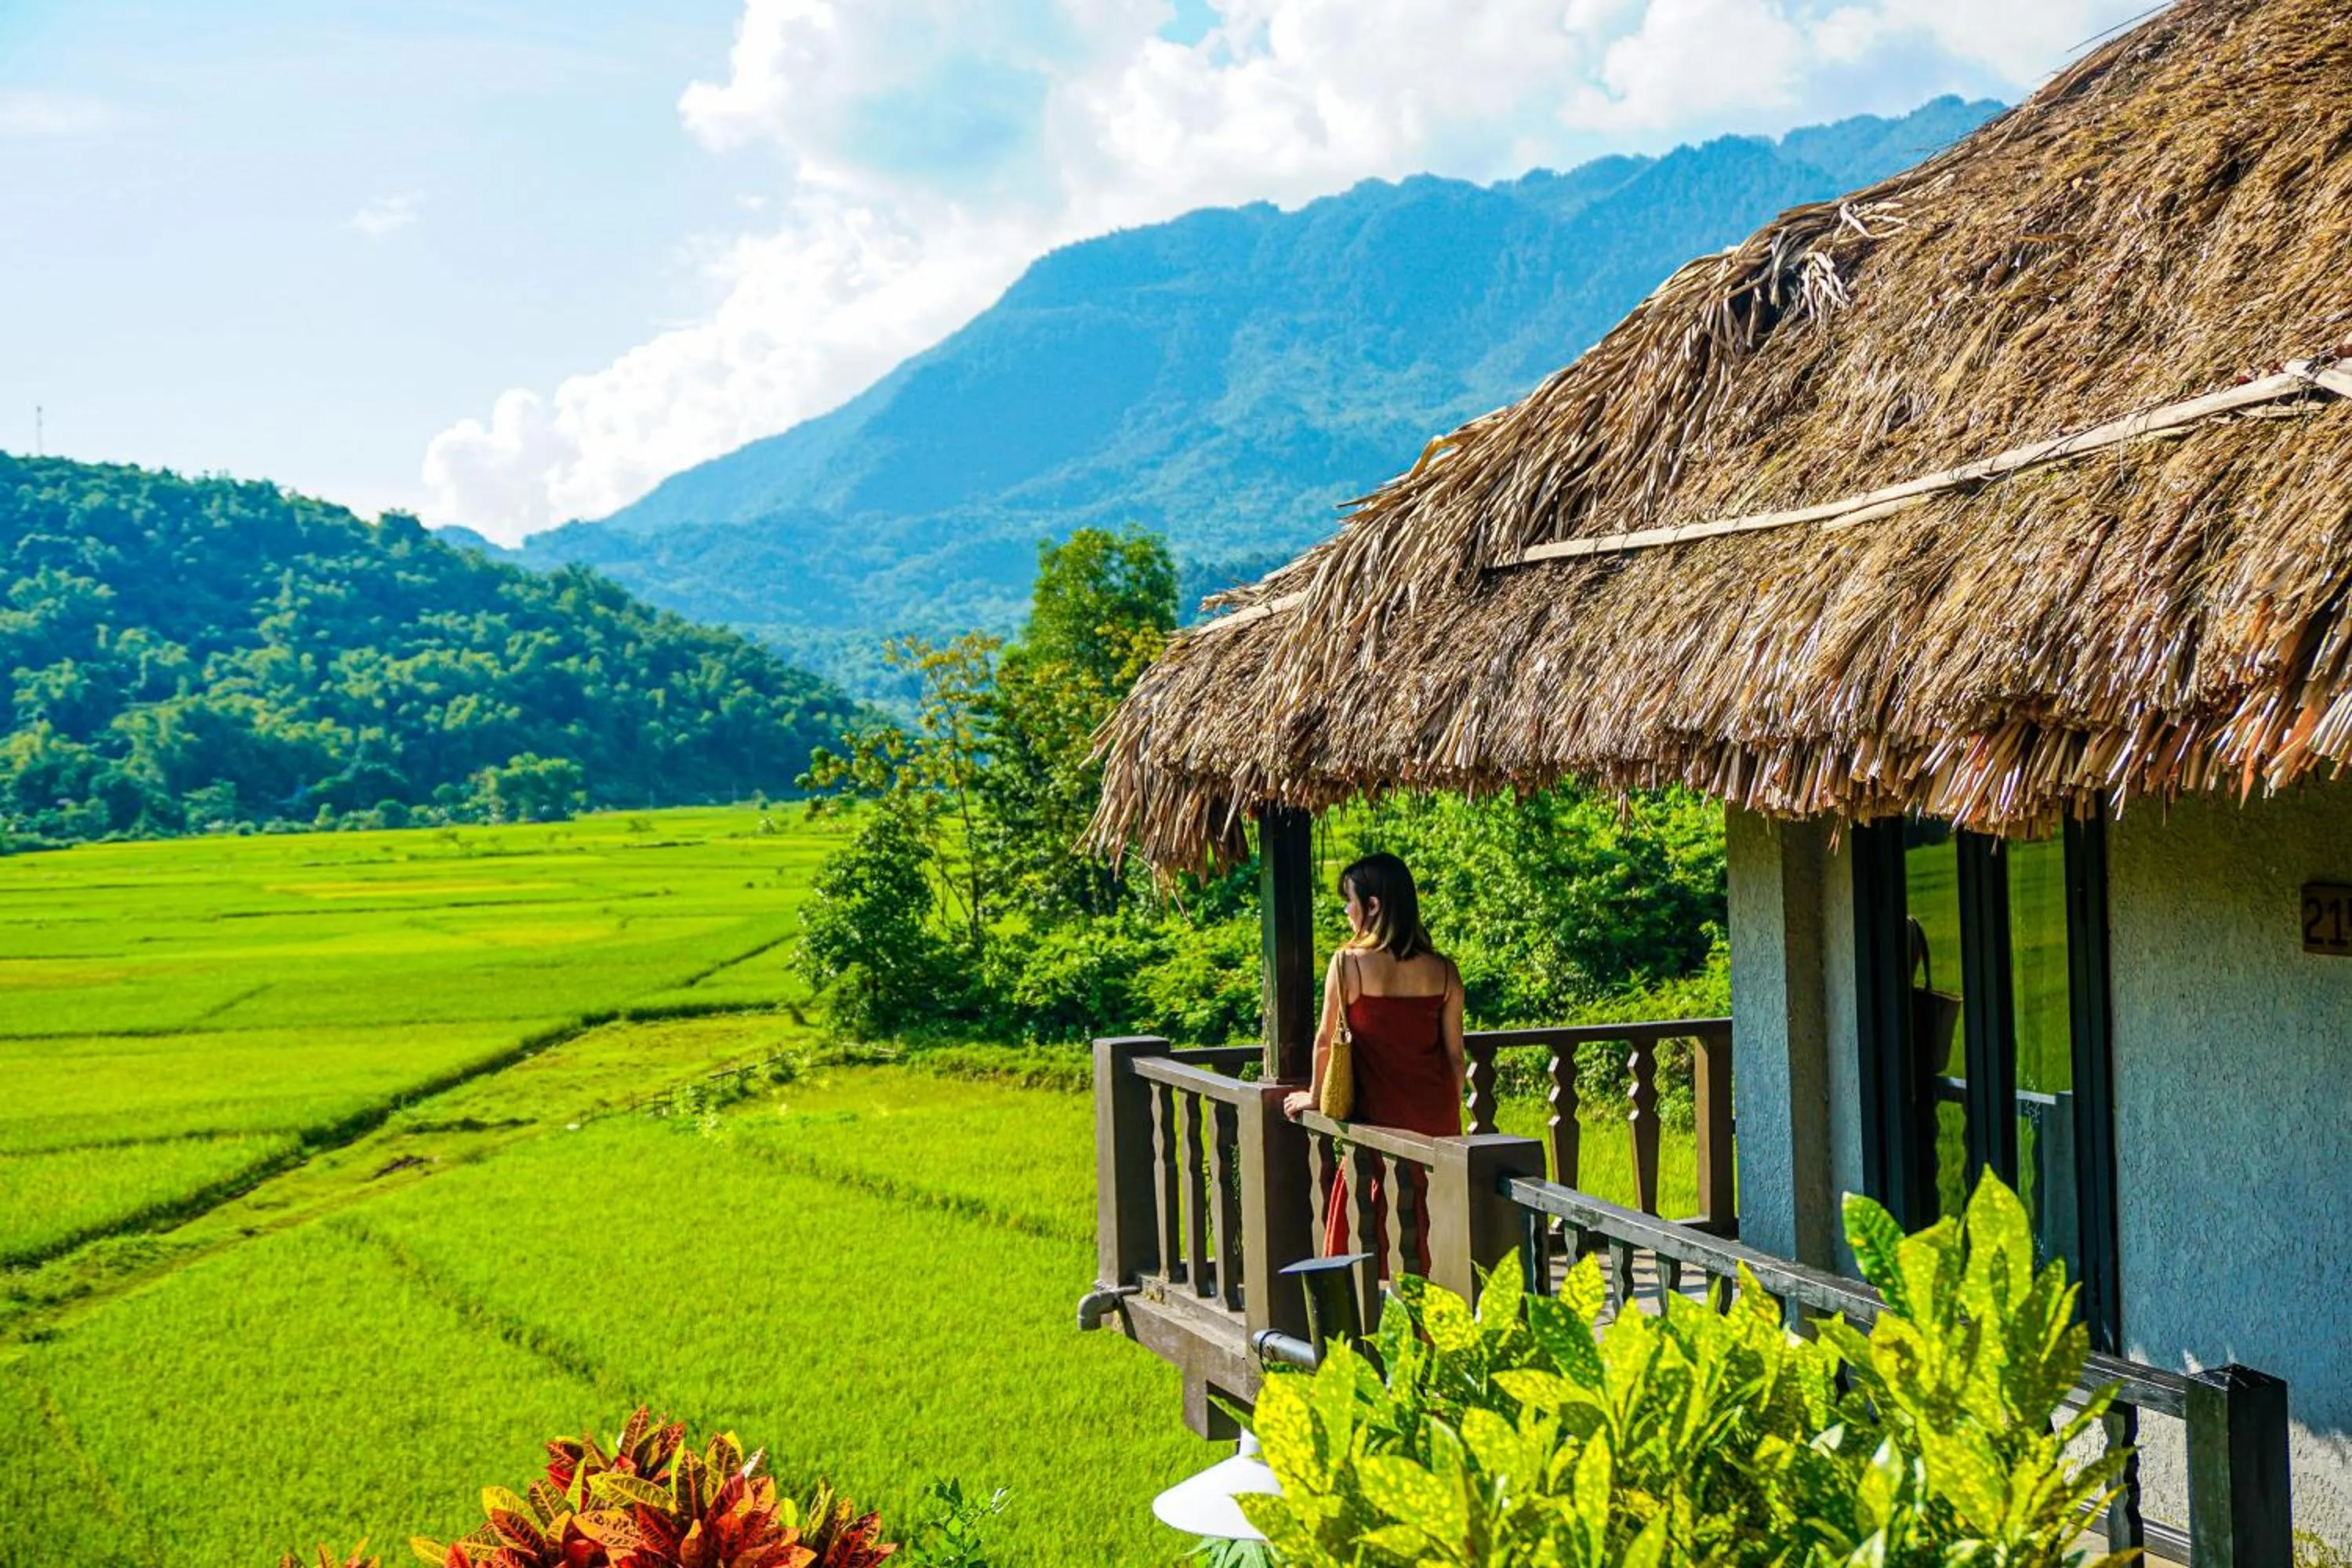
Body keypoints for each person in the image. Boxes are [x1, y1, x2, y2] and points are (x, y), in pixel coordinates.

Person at [1282, 851, 1467, 1266]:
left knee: (1370, 1232)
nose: (1347, 911)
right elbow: (1456, 1058)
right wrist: (1446, 1117)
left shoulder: (1348, 964)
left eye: (1349, 900)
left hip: (1378, 1121)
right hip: (1435, 1123)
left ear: (1373, 905)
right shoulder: (1444, 971)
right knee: (1431, 1238)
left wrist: (1314, 1094)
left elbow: (1326, 1038)